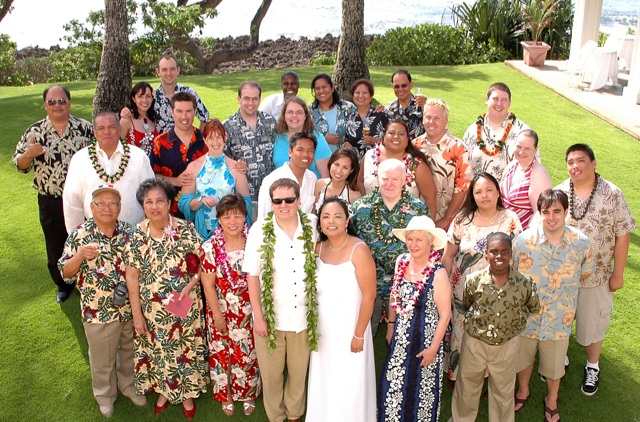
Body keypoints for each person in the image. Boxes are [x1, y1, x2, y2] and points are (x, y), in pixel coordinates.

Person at [58, 185, 146, 418]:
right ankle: (105, 395)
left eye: (113, 204)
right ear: (92, 207)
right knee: (102, 359)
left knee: (130, 351)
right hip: (98, 311)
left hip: (129, 308)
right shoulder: (80, 235)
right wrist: (79, 256)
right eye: (101, 204)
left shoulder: (130, 233)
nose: (107, 208)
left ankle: (128, 385)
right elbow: (65, 272)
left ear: (120, 207)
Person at [556, 143, 636, 396]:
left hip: (598, 276)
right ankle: (561, 358)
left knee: (593, 325)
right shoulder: (559, 192)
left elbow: (623, 234)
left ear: (593, 162)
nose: (575, 166)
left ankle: (593, 365)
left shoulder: (612, 193)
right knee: (561, 322)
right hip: (563, 276)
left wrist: (618, 273)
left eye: (580, 160)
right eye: (570, 162)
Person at [125, 178, 207, 420]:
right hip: (153, 309)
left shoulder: (185, 229)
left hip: (185, 304)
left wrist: (191, 283)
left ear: (170, 202)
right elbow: (132, 278)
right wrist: (137, 315)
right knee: (160, 349)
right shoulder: (137, 235)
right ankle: (164, 390)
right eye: (148, 201)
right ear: (142, 205)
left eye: (160, 200)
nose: (154, 206)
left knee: (184, 348)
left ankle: (188, 393)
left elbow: (204, 263)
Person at [512, 189, 594, 422]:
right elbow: (513, 272)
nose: (551, 217)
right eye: (545, 211)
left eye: (557, 211)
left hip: (559, 317)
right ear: (539, 213)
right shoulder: (523, 242)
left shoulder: (580, 243)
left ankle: (552, 399)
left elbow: (585, 272)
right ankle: (523, 390)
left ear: (566, 212)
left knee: (555, 366)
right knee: (523, 359)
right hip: (527, 317)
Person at [243, 178, 319, 422]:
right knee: (272, 375)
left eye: (289, 199)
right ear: (271, 202)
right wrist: (259, 317)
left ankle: (295, 414)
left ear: (299, 201)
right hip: (271, 317)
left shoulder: (313, 225)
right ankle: (276, 416)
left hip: (302, 317)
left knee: (299, 374)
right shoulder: (258, 229)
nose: (283, 204)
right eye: (277, 200)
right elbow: (252, 276)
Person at [12, 85, 93, 303]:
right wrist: (29, 154)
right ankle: (63, 284)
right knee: (56, 243)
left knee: (85, 240)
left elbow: (100, 156)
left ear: (69, 102)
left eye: (62, 101)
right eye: (52, 102)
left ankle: (87, 281)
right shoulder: (35, 132)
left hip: (81, 199)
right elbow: (20, 165)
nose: (57, 105)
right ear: (45, 105)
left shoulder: (84, 129)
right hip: (51, 199)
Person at [441, 172, 523, 383]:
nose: (484, 195)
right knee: (462, 332)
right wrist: (443, 287)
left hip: (498, 293)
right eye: (478, 191)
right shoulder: (462, 219)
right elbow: (449, 254)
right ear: (473, 195)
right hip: (463, 292)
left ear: (497, 192)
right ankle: (457, 374)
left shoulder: (510, 220)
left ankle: (488, 377)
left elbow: (519, 257)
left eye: (489, 190)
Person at [451, 232, 540, 422]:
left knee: (503, 389)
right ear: (486, 255)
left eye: (505, 252)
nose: (499, 257)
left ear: (511, 254)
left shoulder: (525, 283)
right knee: (467, 385)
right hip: (475, 342)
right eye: (494, 252)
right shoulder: (473, 280)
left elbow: (533, 307)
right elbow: (467, 304)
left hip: (507, 344)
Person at [306, 197, 377, 422]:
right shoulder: (317, 249)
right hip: (323, 331)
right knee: (325, 382)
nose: (331, 221)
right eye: (326, 217)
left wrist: (358, 334)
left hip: (351, 329)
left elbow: (369, 295)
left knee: (349, 385)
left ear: (347, 220)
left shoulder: (359, 249)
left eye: (338, 216)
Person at [379, 216, 451, 421]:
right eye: (410, 239)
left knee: (422, 396)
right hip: (401, 340)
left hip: (426, 343)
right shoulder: (401, 262)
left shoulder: (438, 273)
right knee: (393, 389)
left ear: (430, 242)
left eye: (419, 239)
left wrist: (433, 349)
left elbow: (445, 315)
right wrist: (391, 327)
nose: (413, 244)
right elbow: (395, 294)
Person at [351, 158, 429, 336]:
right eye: (385, 178)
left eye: (395, 179)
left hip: (405, 284)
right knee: (364, 335)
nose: (389, 183)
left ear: (404, 180)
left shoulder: (418, 210)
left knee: (405, 338)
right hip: (369, 285)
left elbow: (427, 248)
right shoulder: (361, 207)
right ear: (378, 178)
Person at [200, 194, 260, 417]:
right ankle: (225, 394)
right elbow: (207, 286)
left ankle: (248, 392)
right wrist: (217, 315)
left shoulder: (254, 243)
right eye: (227, 217)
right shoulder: (210, 248)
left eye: (237, 216)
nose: (232, 222)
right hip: (222, 308)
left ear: (245, 217)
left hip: (249, 308)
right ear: (219, 220)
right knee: (223, 352)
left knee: (248, 352)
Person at [63, 111, 154, 232]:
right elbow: (72, 202)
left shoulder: (138, 157)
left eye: (111, 127)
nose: (106, 132)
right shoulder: (80, 159)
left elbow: (151, 195)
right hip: (94, 238)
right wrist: (76, 237)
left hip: (134, 236)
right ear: (94, 133)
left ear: (119, 129)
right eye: (101, 128)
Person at [178, 119, 251, 239]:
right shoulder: (194, 167)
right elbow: (184, 203)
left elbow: (246, 203)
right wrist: (201, 200)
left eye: (218, 137)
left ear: (225, 138)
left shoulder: (236, 168)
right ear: (205, 140)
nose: (215, 142)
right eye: (211, 138)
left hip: (229, 232)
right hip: (202, 232)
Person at [413, 98, 472, 230]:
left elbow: (463, 188)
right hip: (417, 221)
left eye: (437, 118)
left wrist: (446, 220)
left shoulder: (459, 149)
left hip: (446, 223)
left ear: (446, 121)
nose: (431, 122)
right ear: (422, 119)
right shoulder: (414, 146)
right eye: (428, 117)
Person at [359, 119, 437, 217]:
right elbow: (360, 182)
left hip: (407, 226)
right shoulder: (369, 156)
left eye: (401, 134)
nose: (396, 137)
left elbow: (430, 197)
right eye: (391, 133)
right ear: (383, 136)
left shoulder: (417, 165)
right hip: (373, 222)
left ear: (408, 138)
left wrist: (427, 227)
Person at [223, 81, 277, 220]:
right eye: (246, 98)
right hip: (244, 197)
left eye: (255, 99)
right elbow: (221, 159)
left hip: (272, 195)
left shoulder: (270, 122)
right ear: (239, 99)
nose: (251, 103)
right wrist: (235, 166)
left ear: (260, 99)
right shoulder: (228, 127)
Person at [151, 91, 208, 218]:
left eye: (188, 111)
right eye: (179, 111)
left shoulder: (206, 141)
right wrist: (175, 181)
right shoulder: (160, 143)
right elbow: (152, 176)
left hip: (203, 212)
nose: (184, 117)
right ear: (172, 112)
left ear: (194, 112)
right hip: (171, 214)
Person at [462, 82, 533, 181]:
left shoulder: (523, 133)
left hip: (509, 195)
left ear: (509, 103)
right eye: (495, 99)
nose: (499, 104)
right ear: (486, 100)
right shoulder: (472, 131)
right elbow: (463, 168)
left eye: (504, 100)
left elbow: (533, 169)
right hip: (476, 194)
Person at [257, 131, 318, 218]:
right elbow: (263, 217)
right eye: (300, 150)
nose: (305, 154)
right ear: (290, 152)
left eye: (310, 151)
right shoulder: (272, 179)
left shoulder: (312, 178)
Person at [499, 129, 552, 229]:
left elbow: (540, 214)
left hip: (520, 235)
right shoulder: (512, 166)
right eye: (519, 146)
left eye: (527, 148)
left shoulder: (539, 174)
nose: (521, 152)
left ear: (535, 149)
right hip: (500, 228)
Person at [272, 96, 332, 178]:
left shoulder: (317, 139)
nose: (294, 115)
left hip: (311, 188)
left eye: (299, 112)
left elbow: (326, 177)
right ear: (284, 115)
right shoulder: (277, 136)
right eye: (290, 112)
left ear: (306, 116)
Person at [153, 54, 209, 133]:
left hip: (186, 144)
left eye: (172, 69)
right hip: (160, 144)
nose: (169, 73)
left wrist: (198, 140)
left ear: (178, 70)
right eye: (164, 69)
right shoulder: (151, 96)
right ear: (158, 72)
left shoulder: (189, 92)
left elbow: (205, 118)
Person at [309, 73, 357, 152]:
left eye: (324, 87)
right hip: (318, 160)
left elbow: (361, 125)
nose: (321, 91)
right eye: (317, 88)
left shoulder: (347, 107)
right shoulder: (309, 111)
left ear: (332, 88)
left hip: (343, 159)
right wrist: (323, 139)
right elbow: (303, 136)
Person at [344, 79, 389, 159]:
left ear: (371, 96)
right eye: (357, 93)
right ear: (352, 95)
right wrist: (346, 144)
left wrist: (375, 141)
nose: (361, 96)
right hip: (355, 165)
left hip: (377, 163)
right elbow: (346, 139)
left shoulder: (381, 115)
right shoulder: (349, 118)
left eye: (365, 93)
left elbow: (391, 141)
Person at [314, 148, 361, 212]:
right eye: (336, 164)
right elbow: (313, 212)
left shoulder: (354, 196)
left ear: (351, 170)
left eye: (345, 167)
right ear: (330, 163)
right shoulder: (320, 184)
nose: (339, 171)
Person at [385, 69, 426, 139]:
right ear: (392, 87)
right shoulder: (388, 109)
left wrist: (429, 105)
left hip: (419, 149)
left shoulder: (423, 106)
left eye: (404, 85)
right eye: (396, 86)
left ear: (411, 85)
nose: (400, 89)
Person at [119, 81, 157, 156]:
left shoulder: (153, 118)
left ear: (152, 99)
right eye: (140, 96)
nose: (144, 100)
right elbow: (118, 147)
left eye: (148, 96)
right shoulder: (127, 119)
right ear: (133, 99)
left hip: (152, 166)